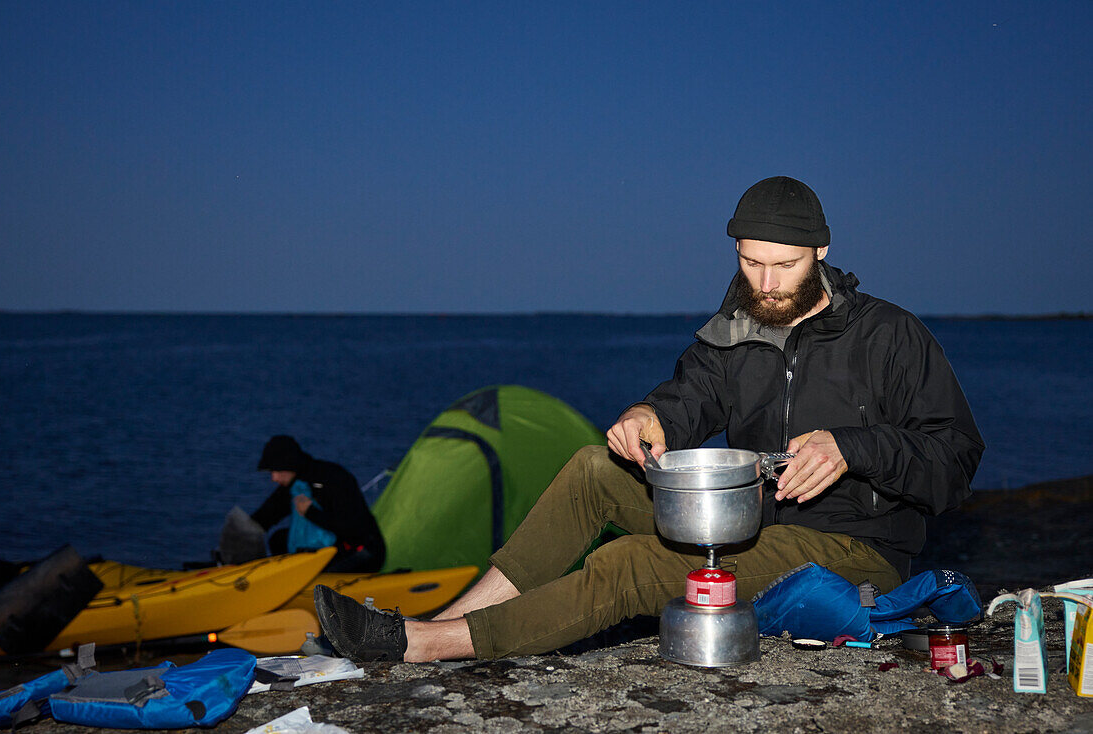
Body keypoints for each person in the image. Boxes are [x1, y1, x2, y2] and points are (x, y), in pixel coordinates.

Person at [312, 176, 985, 662]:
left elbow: (955, 458)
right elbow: (690, 396)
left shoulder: (890, 336)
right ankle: (453, 615)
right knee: (591, 468)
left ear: (822, 255)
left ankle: (428, 646)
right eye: (751, 262)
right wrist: (648, 416)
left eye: (785, 265)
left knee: (630, 561)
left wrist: (856, 448)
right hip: (752, 519)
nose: (768, 283)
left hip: (854, 552)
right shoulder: (735, 329)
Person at [252, 435, 386, 573]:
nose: (274, 478)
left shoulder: (333, 478)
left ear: (289, 465)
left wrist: (311, 512)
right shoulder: (295, 486)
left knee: (326, 552)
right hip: (328, 547)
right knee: (278, 539)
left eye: (277, 471)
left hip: (363, 550)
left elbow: (352, 528)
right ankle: (285, 580)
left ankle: (308, 582)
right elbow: (264, 517)